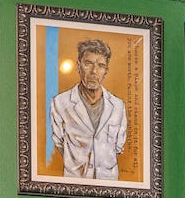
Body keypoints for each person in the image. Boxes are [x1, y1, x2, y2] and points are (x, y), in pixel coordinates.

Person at [50, 39, 128, 181]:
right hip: (73, 185)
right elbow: (59, 142)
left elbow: (118, 146)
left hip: (109, 187)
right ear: (78, 66)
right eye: (88, 64)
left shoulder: (118, 106)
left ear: (106, 72)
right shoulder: (60, 103)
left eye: (101, 66)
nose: (94, 72)